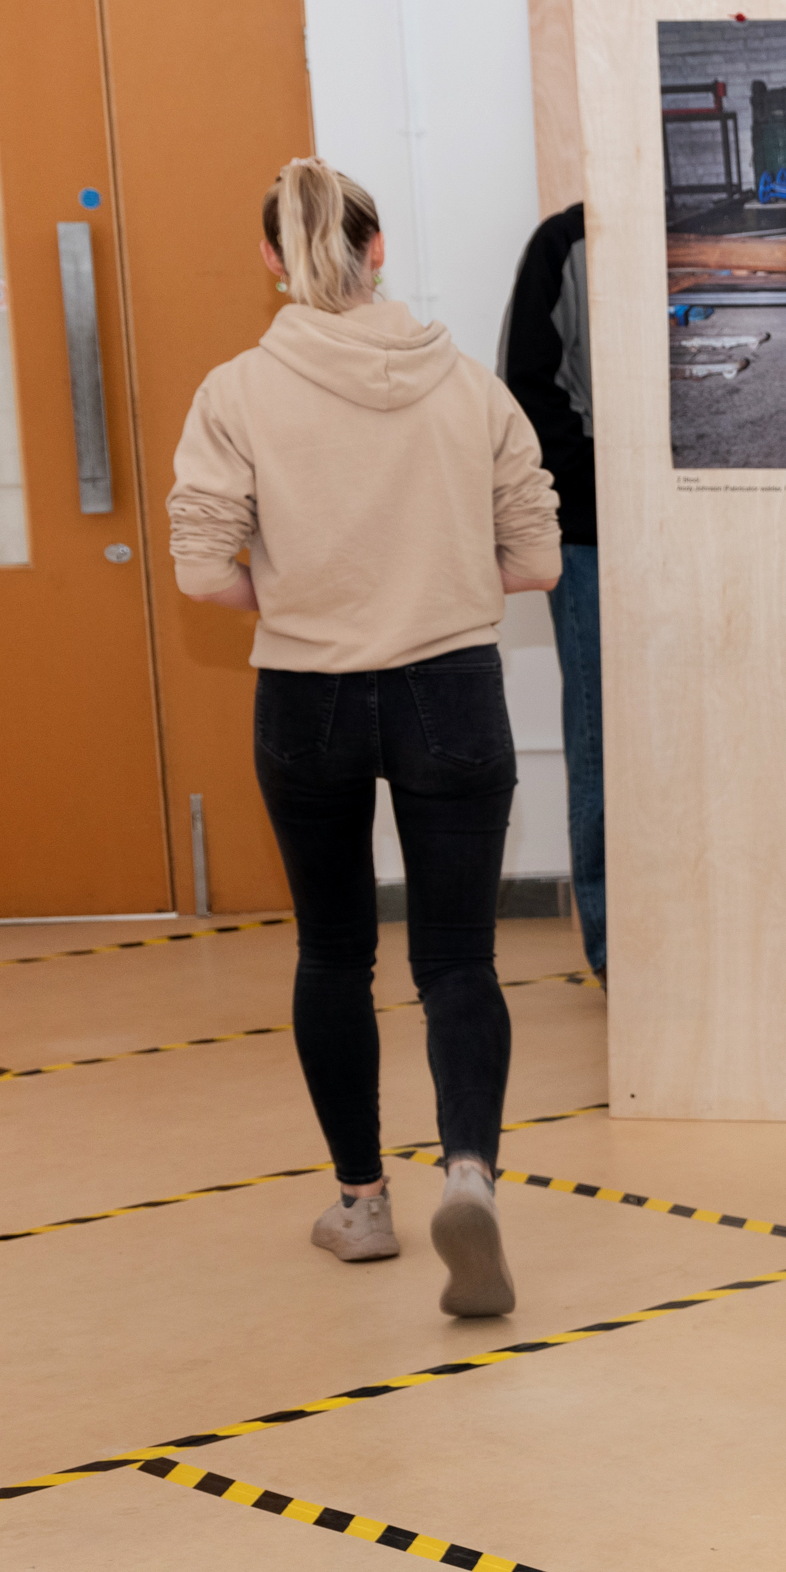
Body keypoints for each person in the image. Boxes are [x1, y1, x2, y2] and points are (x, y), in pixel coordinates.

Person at [169, 160, 564, 1317]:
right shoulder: (471, 391)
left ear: (273, 263)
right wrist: (435, 588)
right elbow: (536, 561)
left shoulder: (237, 392)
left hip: (309, 697)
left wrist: (299, 603)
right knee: (458, 962)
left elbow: (202, 572)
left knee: (334, 954)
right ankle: (473, 1177)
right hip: (451, 687)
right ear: (378, 249)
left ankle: (361, 1204)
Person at [497, 203, 605, 980]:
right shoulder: (565, 243)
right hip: (596, 540)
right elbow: (529, 397)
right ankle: (617, 955)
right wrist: (619, 491)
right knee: (603, 740)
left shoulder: (692, 229)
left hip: (711, 536)